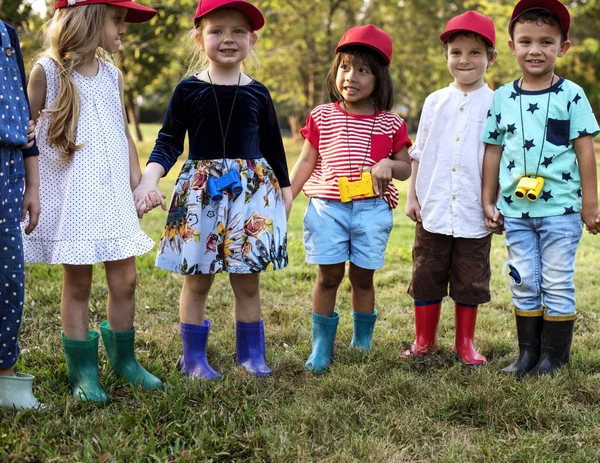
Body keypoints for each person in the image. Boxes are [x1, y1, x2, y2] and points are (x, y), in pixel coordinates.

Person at [134, 0, 291, 379]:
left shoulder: (258, 92)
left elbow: (273, 145)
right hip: (201, 194)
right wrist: (150, 179)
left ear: (252, 39)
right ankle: (193, 359)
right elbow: (169, 141)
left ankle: (251, 355)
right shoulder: (188, 90)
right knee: (198, 277)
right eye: (217, 30)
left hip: (250, 196)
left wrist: (285, 190)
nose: (228, 39)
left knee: (247, 278)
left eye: (238, 31)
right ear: (198, 37)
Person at [24, 0, 163, 402]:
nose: (124, 29)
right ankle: (83, 371)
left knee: (126, 280)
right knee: (79, 283)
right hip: (74, 201)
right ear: (86, 19)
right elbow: (26, 139)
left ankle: (124, 361)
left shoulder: (112, 75)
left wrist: (139, 184)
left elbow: (122, 134)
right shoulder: (45, 73)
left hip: (113, 196)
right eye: (117, 19)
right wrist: (29, 188)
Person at [482, 0, 600, 376]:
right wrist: (488, 199)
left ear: (562, 47)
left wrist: (591, 205)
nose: (536, 50)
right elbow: (493, 152)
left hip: (561, 211)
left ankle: (554, 359)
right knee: (524, 279)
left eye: (547, 42)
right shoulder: (501, 97)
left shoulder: (572, 95)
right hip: (515, 211)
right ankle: (527, 355)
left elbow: (586, 152)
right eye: (527, 41)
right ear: (513, 46)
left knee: (555, 280)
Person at [290, 25, 412, 374]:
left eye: (363, 70)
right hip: (327, 209)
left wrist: (391, 163)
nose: (351, 76)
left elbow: (404, 169)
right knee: (328, 277)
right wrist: (287, 196)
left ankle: (362, 340)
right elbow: (306, 162)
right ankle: (321, 347)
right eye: (345, 67)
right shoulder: (322, 116)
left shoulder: (391, 123)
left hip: (372, 211)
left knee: (362, 278)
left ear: (380, 78)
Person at [404, 12, 497, 365]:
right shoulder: (434, 101)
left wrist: (494, 201)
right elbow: (420, 151)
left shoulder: (496, 103)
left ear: (491, 57)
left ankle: (465, 344)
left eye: (475, 53)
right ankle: (424, 340)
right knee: (426, 272)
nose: (465, 60)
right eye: (456, 52)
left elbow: (498, 157)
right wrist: (413, 194)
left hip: (475, 207)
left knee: (470, 278)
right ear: (445, 55)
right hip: (434, 204)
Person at [0, 19, 42, 409]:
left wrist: (33, 184)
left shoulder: (8, 34)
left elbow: (27, 122)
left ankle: (4, 374)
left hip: (8, 169)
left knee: (8, 277)